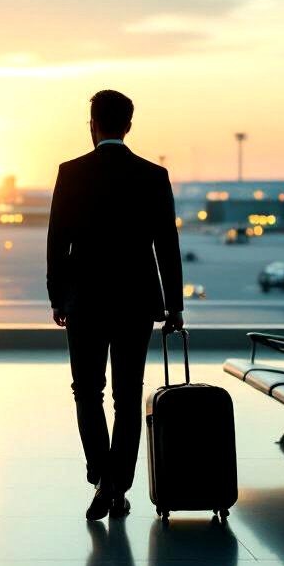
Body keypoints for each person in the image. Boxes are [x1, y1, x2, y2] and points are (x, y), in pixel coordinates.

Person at [47, 90, 183, 521]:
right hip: (135, 302)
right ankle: (116, 485)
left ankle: (101, 478)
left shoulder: (71, 173)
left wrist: (58, 296)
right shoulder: (153, 175)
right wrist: (174, 305)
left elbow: (57, 242)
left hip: (83, 301)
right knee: (128, 397)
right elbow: (167, 246)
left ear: (93, 124)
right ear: (128, 126)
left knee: (87, 392)